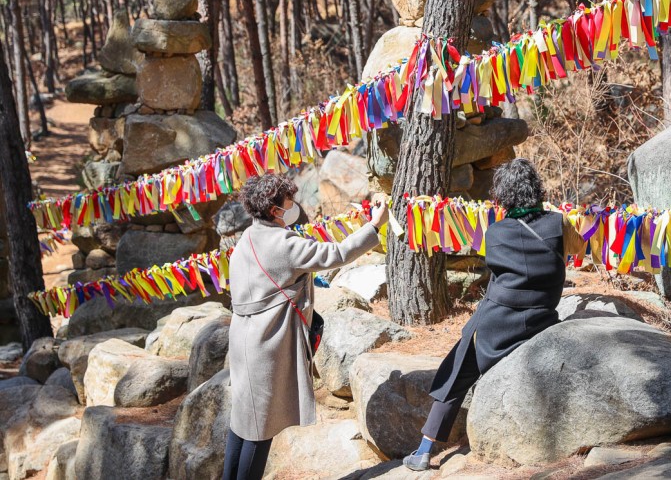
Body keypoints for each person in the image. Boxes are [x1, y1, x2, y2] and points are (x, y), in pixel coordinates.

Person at [403, 158, 585, 471]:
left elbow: (498, 280)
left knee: (458, 367)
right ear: (536, 189)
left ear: (502, 197)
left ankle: (424, 450)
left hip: (499, 324)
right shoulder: (559, 223)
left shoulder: (496, 232)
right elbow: (579, 253)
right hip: (541, 320)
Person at [223, 173, 388, 480]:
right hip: (266, 345)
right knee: (261, 430)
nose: (295, 205)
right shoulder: (284, 245)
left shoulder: (248, 237)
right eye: (289, 201)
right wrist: (375, 224)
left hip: (242, 339)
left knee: (242, 421)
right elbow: (337, 255)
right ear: (275, 210)